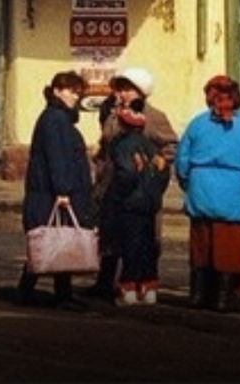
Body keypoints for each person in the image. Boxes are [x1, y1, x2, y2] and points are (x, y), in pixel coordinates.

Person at [175, 73, 240, 312]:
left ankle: (197, 296)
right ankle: (223, 299)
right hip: (235, 194)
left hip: (201, 189)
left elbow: (182, 159)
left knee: (201, 247)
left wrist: (189, 183)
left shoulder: (197, 123)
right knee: (230, 249)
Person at [87, 66, 179, 300]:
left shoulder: (154, 116)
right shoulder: (112, 112)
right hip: (111, 184)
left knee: (142, 238)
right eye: (120, 88)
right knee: (110, 236)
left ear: (141, 91)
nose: (122, 93)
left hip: (139, 188)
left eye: (127, 89)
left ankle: (142, 283)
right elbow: (109, 142)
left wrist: (154, 167)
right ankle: (105, 282)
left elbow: (171, 147)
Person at [16, 69, 94, 311]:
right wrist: (62, 191)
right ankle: (38, 293)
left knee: (59, 241)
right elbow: (57, 157)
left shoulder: (58, 117)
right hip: (52, 194)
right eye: (71, 91)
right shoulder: (55, 119)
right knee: (49, 239)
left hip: (52, 192)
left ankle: (59, 293)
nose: (75, 97)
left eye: (78, 92)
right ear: (58, 91)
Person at [99, 99, 171, 305]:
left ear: (123, 124)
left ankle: (128, 290)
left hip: (128, 204)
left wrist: (118, 194)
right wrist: (154, 193)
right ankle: (149, 289)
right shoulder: (152, 146)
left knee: (130, 247)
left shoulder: (121, 145)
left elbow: (127, 173)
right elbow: (164, 173)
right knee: (147, 247)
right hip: (149, 204)